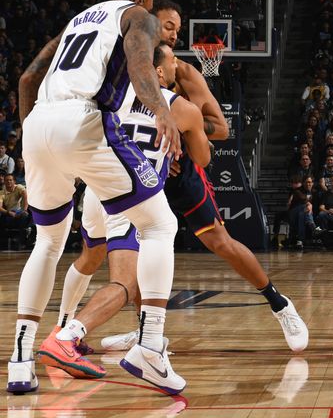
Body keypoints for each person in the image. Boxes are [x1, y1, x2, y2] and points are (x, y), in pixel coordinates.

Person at [52, 0, 309, 359]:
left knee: (220, 242)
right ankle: (135, 332)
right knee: (106, 253)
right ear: (145, 26)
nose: (174, 33)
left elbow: (219, 129)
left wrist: (180, 134)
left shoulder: (183, 72)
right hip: (130, 169)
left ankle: (280, 305)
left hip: (178, 167)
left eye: (176, 27)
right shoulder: (116, 67)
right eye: (169, 26)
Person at [7, 0, 183, 395]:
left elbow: (28, 78)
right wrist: (161, 109)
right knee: (160, 224)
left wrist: (33, 135)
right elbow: (142, 62)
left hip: (39, 122)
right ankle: (150, 347)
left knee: (47, 243)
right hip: (83, 119)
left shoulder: (78, 20)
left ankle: (20, 361)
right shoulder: (138, 16)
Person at [37, 43, 210, 391]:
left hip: (96, 189)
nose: (179, 66)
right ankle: (69, 336)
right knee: (127, 282)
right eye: (174, 61)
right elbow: (203, 159)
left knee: (90, 258)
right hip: (132, 194)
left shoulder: (112, 96)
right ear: (158, 72)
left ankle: (77, 327)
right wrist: (198, 113)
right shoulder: (184, 108)